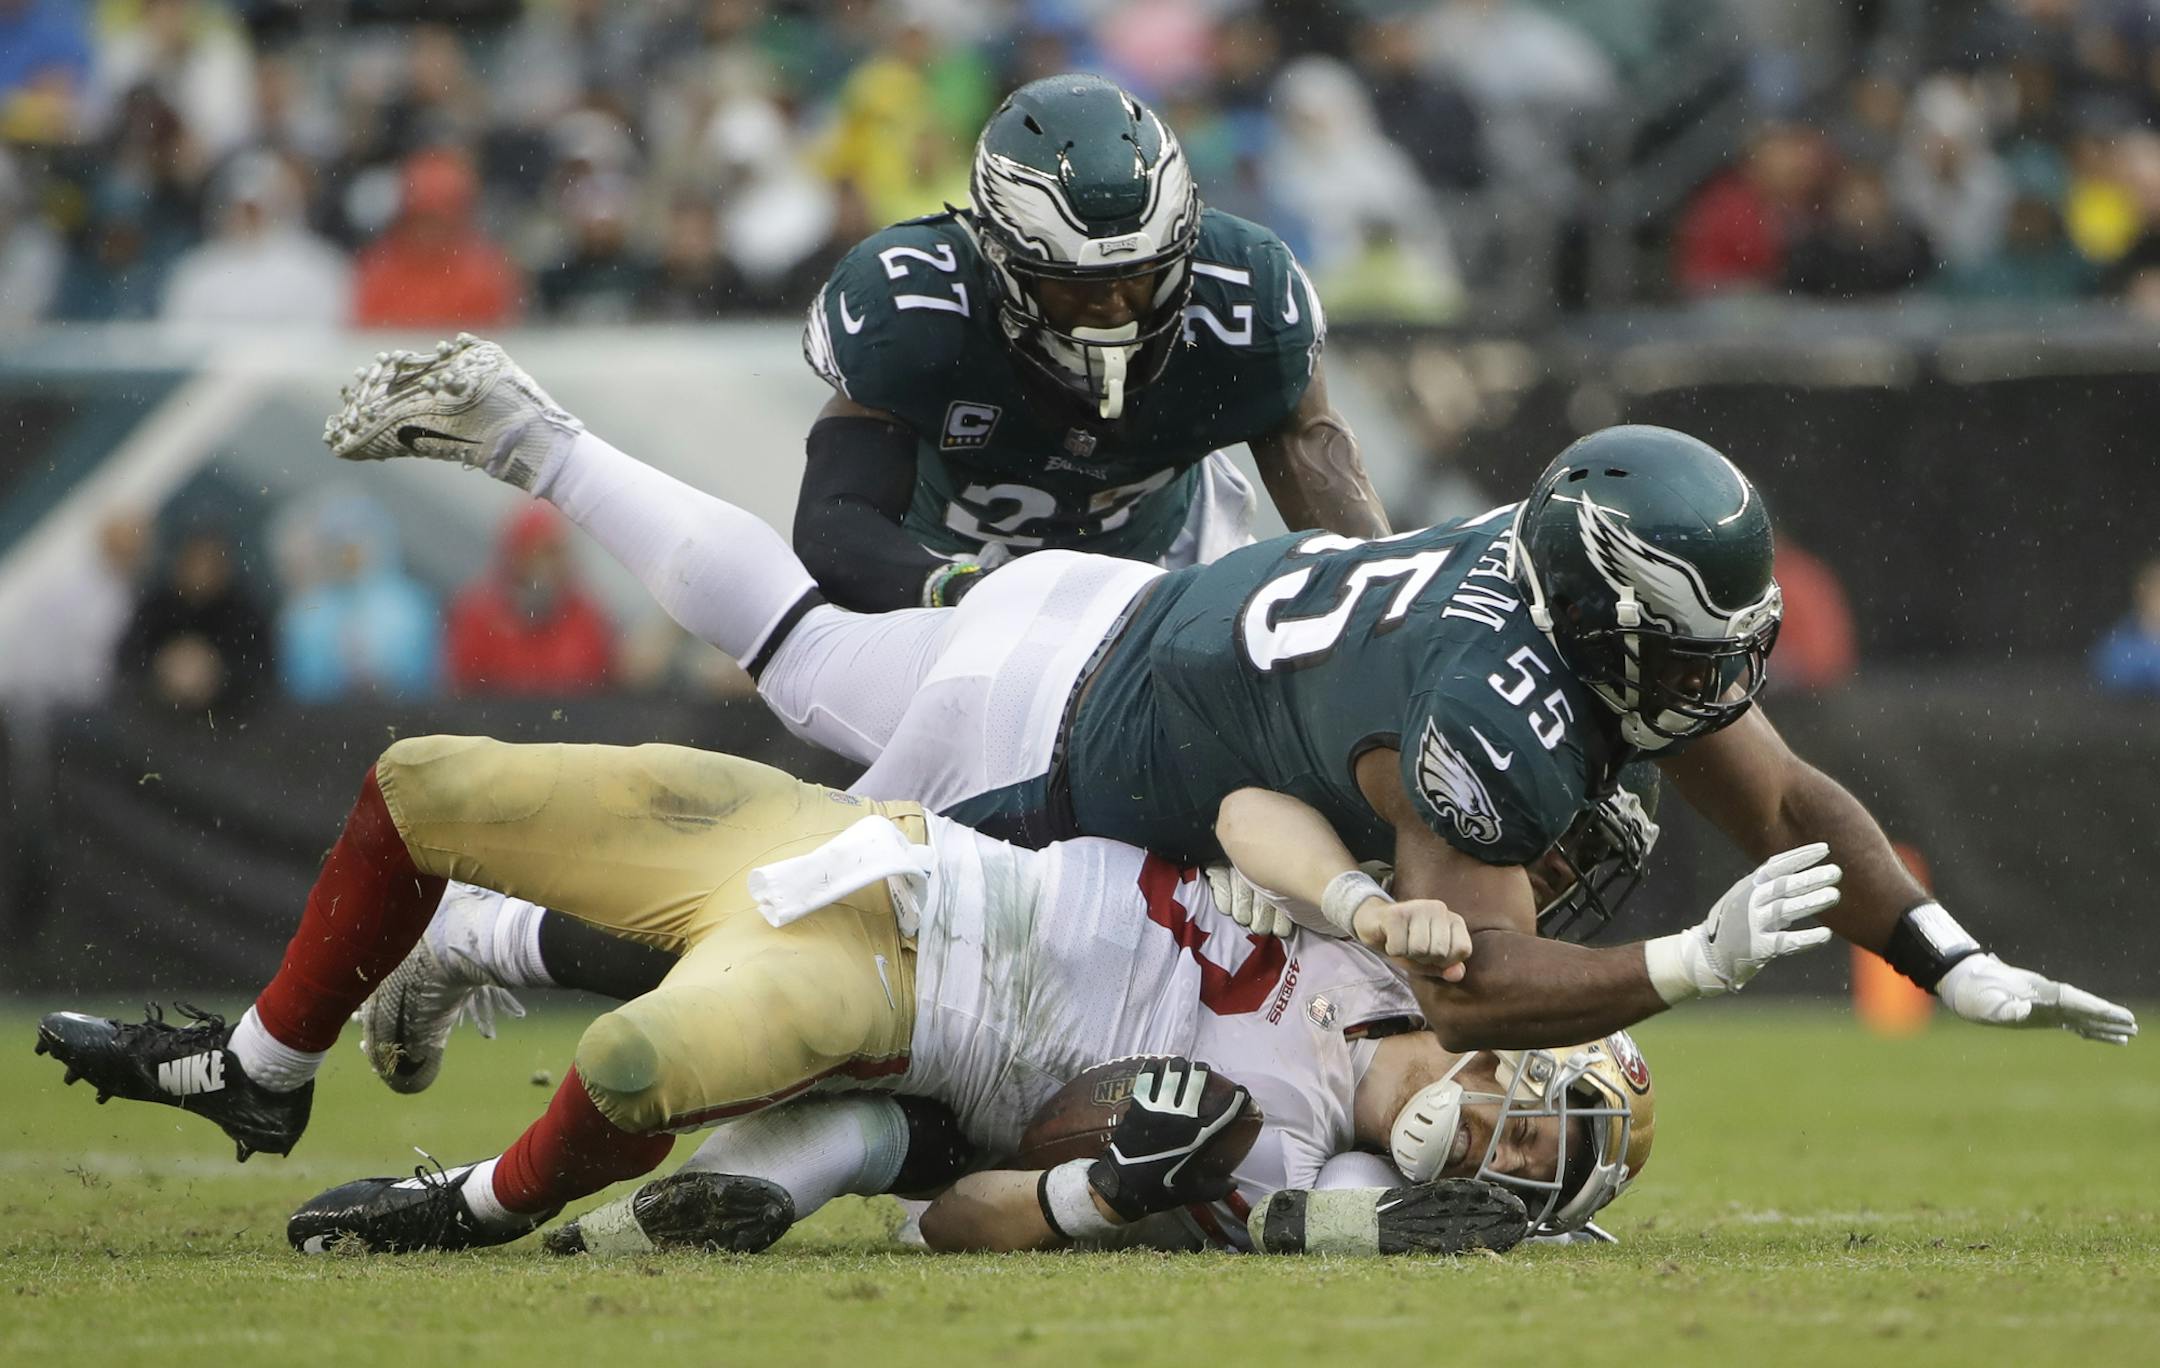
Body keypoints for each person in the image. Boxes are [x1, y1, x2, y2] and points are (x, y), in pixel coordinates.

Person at [318, 335, 2136, 1057]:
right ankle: (492, 936)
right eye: (1683, 645)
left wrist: (1950, 953)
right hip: (1067, 721)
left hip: (1110, 611)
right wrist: (1685, 964)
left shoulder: (1564, 581)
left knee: (798, 652)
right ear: (1597, 606)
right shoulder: (1493, 697)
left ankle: (540, 434)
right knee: (868, 977)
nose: (1710, 686)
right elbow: (1476, 980)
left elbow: (1790, 786)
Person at [36, 736, 1727, 1257]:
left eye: (1525, 1139)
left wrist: (1096, 1179)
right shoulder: (1394, 949)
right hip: (862, 840)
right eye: (1532, 1081)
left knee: (634, 1056)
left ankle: (478, 1204)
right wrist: (1356, 896)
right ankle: (266, 1061)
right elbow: (1246, 819)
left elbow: (967, 1211)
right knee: (422, 778)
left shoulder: (1283, 1157)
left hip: (874, 988)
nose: (1499, 1105)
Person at [789, 73, 1391, 613]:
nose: (1112, 306)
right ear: (1001, 259)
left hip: (1168, 563)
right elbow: (836, 528)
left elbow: (1329, 487)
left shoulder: (1244, 291)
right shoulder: (916, 304)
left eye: (1137, 276)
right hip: (941, 567)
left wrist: (1389, 598)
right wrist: (961, 591)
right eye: (1076, 285)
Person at [444, 503, 614, 696]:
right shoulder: (478, 615)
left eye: (558, 553)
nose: (552, 566)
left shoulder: (587, 616)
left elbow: (602, 682)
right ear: (516, 555)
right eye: (542, 553)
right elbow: (463, 685)